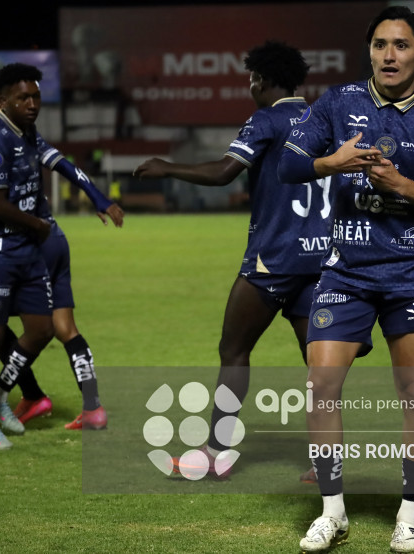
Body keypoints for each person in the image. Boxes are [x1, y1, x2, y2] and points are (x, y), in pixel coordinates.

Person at [279, 7, 414, 552]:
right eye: (381, 44)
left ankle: (408, 516)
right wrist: (331, 161)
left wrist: (407, 188)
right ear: (369, 50)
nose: (390, 55)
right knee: (320, 387)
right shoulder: (338, 104)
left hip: (412, 271)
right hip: (346, 270)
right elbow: (286, 166)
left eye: (402, 46)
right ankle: (333, 513)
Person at [134, 41, 326, 478]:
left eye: (251, 78)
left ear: (262, 79)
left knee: (234, 350)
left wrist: (168, 167)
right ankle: (323, 459)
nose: (249, 86)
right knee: (318, 364)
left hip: (272, 261)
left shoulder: (267, 119)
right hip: (317, 261)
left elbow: (224, 173)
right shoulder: (323, 119)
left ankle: (217, 453)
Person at [0, 70, 124, 432]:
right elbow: (65, 165)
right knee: (63, 327)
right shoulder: (24, 136)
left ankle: (22, 396)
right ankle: (92, 407)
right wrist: (99, 198)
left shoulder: (3, 139)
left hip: (26, 244)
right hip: (54, 239)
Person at [0, 64, 56, 449]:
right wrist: (38, 225)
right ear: (6, 102)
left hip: (27, 251)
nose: (33, 103)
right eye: (24, 97)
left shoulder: (28, 132)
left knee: (42, 329)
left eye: (36, 96)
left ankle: (2, 395)